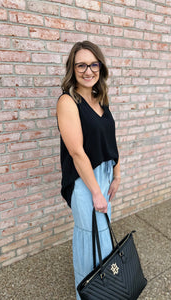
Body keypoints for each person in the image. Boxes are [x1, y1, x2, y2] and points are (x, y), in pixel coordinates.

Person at [57, 41, 120, 299]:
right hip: (86, 181)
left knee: (101, 236)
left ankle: (106, 289)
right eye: (81, 65)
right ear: (73, 68)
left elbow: (111, 138)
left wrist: (116, 174)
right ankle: (90, 294)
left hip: (104, 177)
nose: (88, 70)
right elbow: (76, 152)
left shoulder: (98, 97)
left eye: (93, 64)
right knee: (90, 239)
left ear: (100, 67)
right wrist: (95, 191)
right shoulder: (68, 101)